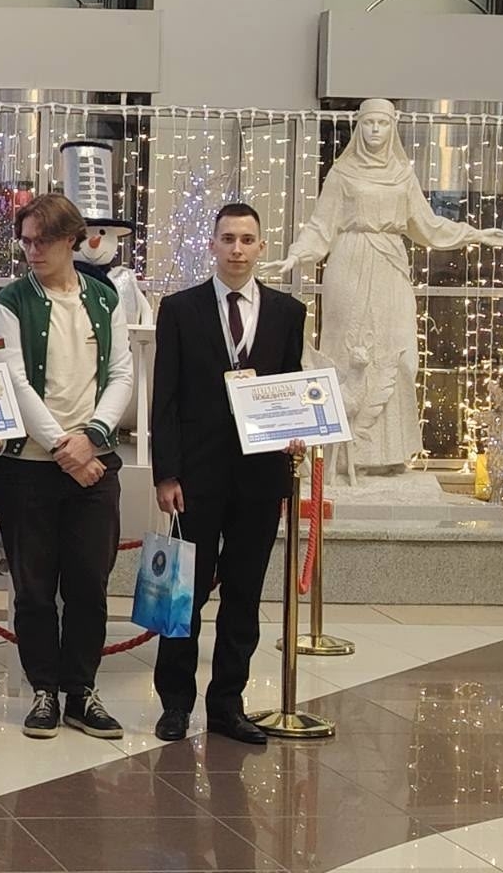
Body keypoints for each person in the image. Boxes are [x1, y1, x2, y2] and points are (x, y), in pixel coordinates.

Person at [269, 99, 503, 475]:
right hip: (349, 261)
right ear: (359, 128)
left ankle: (388, 453)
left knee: (400, 355)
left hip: (390, 264)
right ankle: (340, 458)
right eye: (369, 123)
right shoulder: (342, 173)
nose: (375, 130)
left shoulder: (402, 174)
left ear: (392, 128)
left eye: (382, 123)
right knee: (346, 351)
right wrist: (296, 255)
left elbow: (429, 225)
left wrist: (475, 234)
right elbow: (321, 226)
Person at [151, 203, 308, 746]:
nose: (237, 249)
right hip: (196, 476)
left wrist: (296, 429)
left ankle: (227, 705)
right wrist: (166, 473)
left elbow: (289, 385)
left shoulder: (288, 312)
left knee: (243, 595)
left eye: (246, 239)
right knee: (184, 596)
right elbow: (165, 398)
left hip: (260, 478)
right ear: (212, 245)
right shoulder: (180, 309)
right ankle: (175, 704)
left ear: (261, 246)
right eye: (228, 239)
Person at [0, 192, 133, 740]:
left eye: (43, 241)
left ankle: (81, 692)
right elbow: (13, 381)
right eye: (25, 241)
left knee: (90, 584)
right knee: (33, 587)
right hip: (29, 467)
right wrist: (61, 448)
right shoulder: (10, 302)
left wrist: (92, 437)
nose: (32, 251)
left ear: (73, 240)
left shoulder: (104, 298)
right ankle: (43, 690)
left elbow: (121, 374)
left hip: (94, 461)